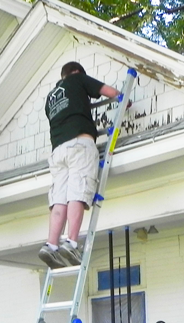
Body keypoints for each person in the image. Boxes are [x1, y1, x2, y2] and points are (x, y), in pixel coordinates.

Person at [38, 61, 120, 269]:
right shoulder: (78, 78)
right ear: (76, 72)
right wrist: (123, 99)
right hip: (79, 145)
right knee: (78, 191)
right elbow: (109, 91)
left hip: (58, 152)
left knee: (60, 199)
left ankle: (52, 245)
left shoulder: (51, 97)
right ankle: (72, 243)